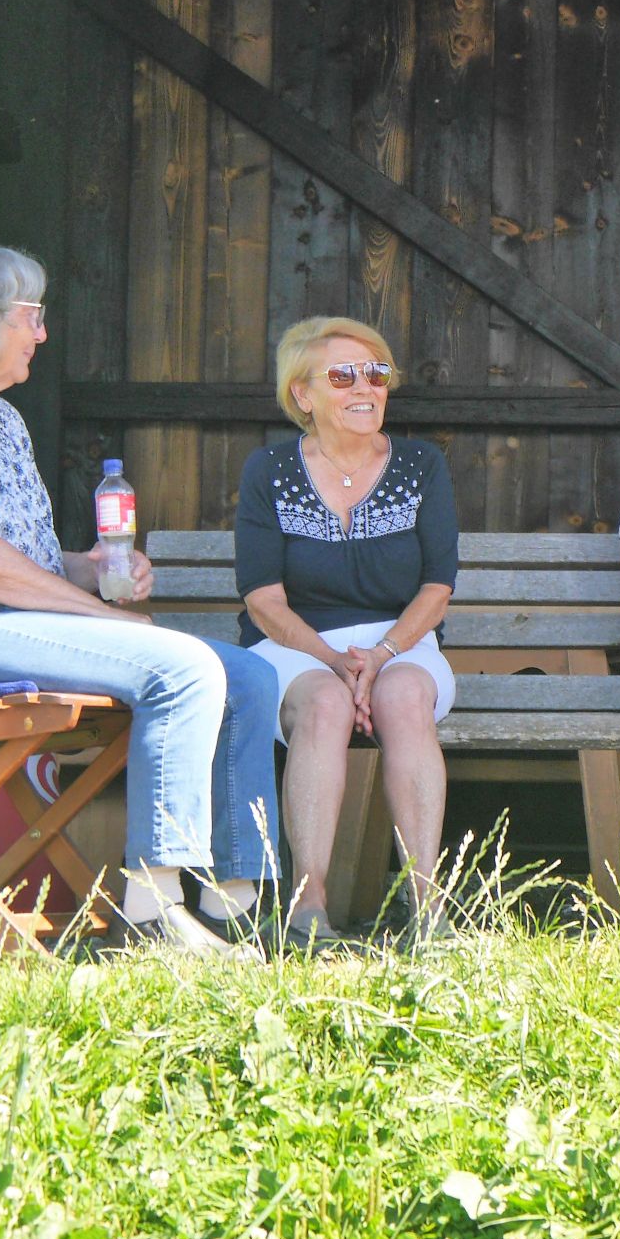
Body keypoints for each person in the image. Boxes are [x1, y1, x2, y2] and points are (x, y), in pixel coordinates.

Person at [0, 244, 281, 953]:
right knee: (179, 668)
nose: (42, 334)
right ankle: (155, 905)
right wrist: (96, 613)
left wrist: (93, 568)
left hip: (16, 621)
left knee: (251, 676)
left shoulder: (5, 422)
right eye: (31, 316)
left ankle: (238, 907)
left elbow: (26, 561)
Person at [236, 316, 460, 947]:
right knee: (325, 705)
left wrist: (382, 654)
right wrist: (334, 662)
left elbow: (437, 588)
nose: (366, 386)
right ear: (302, 394)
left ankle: (427, 906)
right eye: (342, 375)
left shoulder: (421, 464)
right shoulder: (269, 469)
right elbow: (263, 601)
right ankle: (307, 908)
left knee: (405, 697)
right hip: (294, 645)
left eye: (376, 372)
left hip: (402, 641)